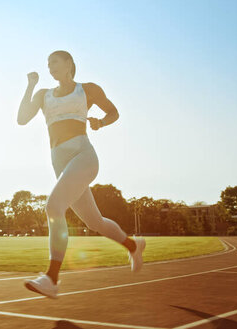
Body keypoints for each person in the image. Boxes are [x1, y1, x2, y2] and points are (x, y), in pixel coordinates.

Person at [17, 50, 146, 299]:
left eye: (54, 61)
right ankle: (133, 245)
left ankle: (52, 278)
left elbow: (113, 112)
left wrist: (101, 123)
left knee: (53, 207)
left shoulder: (87, 89)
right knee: (94, 222)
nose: (50, 66)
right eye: (48, 63)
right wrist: (30, 85)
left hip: (83, 157)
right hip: (60, 164)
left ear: (69, 64)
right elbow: (22, 119)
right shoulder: (43, 95)